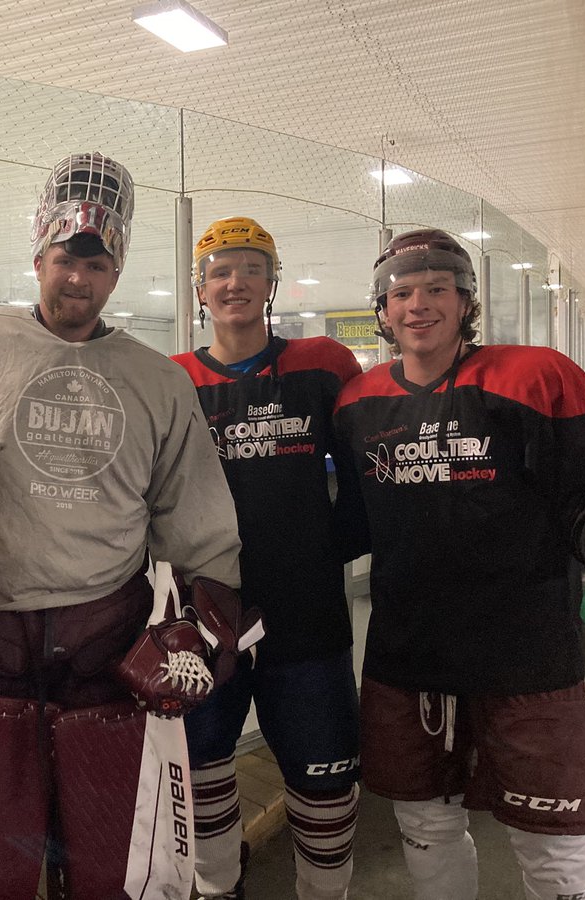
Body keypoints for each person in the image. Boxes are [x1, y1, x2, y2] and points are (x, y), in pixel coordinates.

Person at [0, 152, 246, 900]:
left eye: (97, 266)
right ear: (39, 259)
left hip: (103, 650)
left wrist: (206, 623)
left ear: (117, 274)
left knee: (111, 870)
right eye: (66, 260)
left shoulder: (158, 381)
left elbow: (196, 517)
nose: (78, 280)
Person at [330, 228, 585, 900]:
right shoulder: (358, 403)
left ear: (465, 301)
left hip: (527, 656)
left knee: (553, 849)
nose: (418, 304)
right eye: (401, 293)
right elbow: (351, 523)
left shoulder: (537, 376)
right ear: (382, 309)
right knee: (425, 829)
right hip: (409, 655)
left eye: (437, 289)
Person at [171, 216, 365, 900]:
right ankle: (217, 888)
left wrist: (322, 549)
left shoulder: (323, 364)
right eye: (220, 272)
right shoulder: (174, 379)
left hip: (307, 620)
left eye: (251, 269)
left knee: (325, 781)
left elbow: (370, 468)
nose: (235, 282)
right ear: (200, 289)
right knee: (201, 769)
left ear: (271, 282)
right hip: (204, 622)